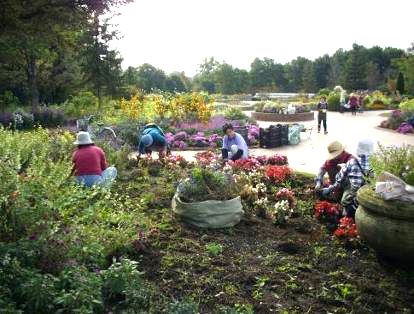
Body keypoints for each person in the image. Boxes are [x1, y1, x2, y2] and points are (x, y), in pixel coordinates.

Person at [321, 139, 374, 217]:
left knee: (345, 203)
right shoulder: (374, 165)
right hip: (366, 195)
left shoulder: (352, 162)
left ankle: (345, 217)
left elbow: (339, 179)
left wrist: (330, 188)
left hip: (352, 197)